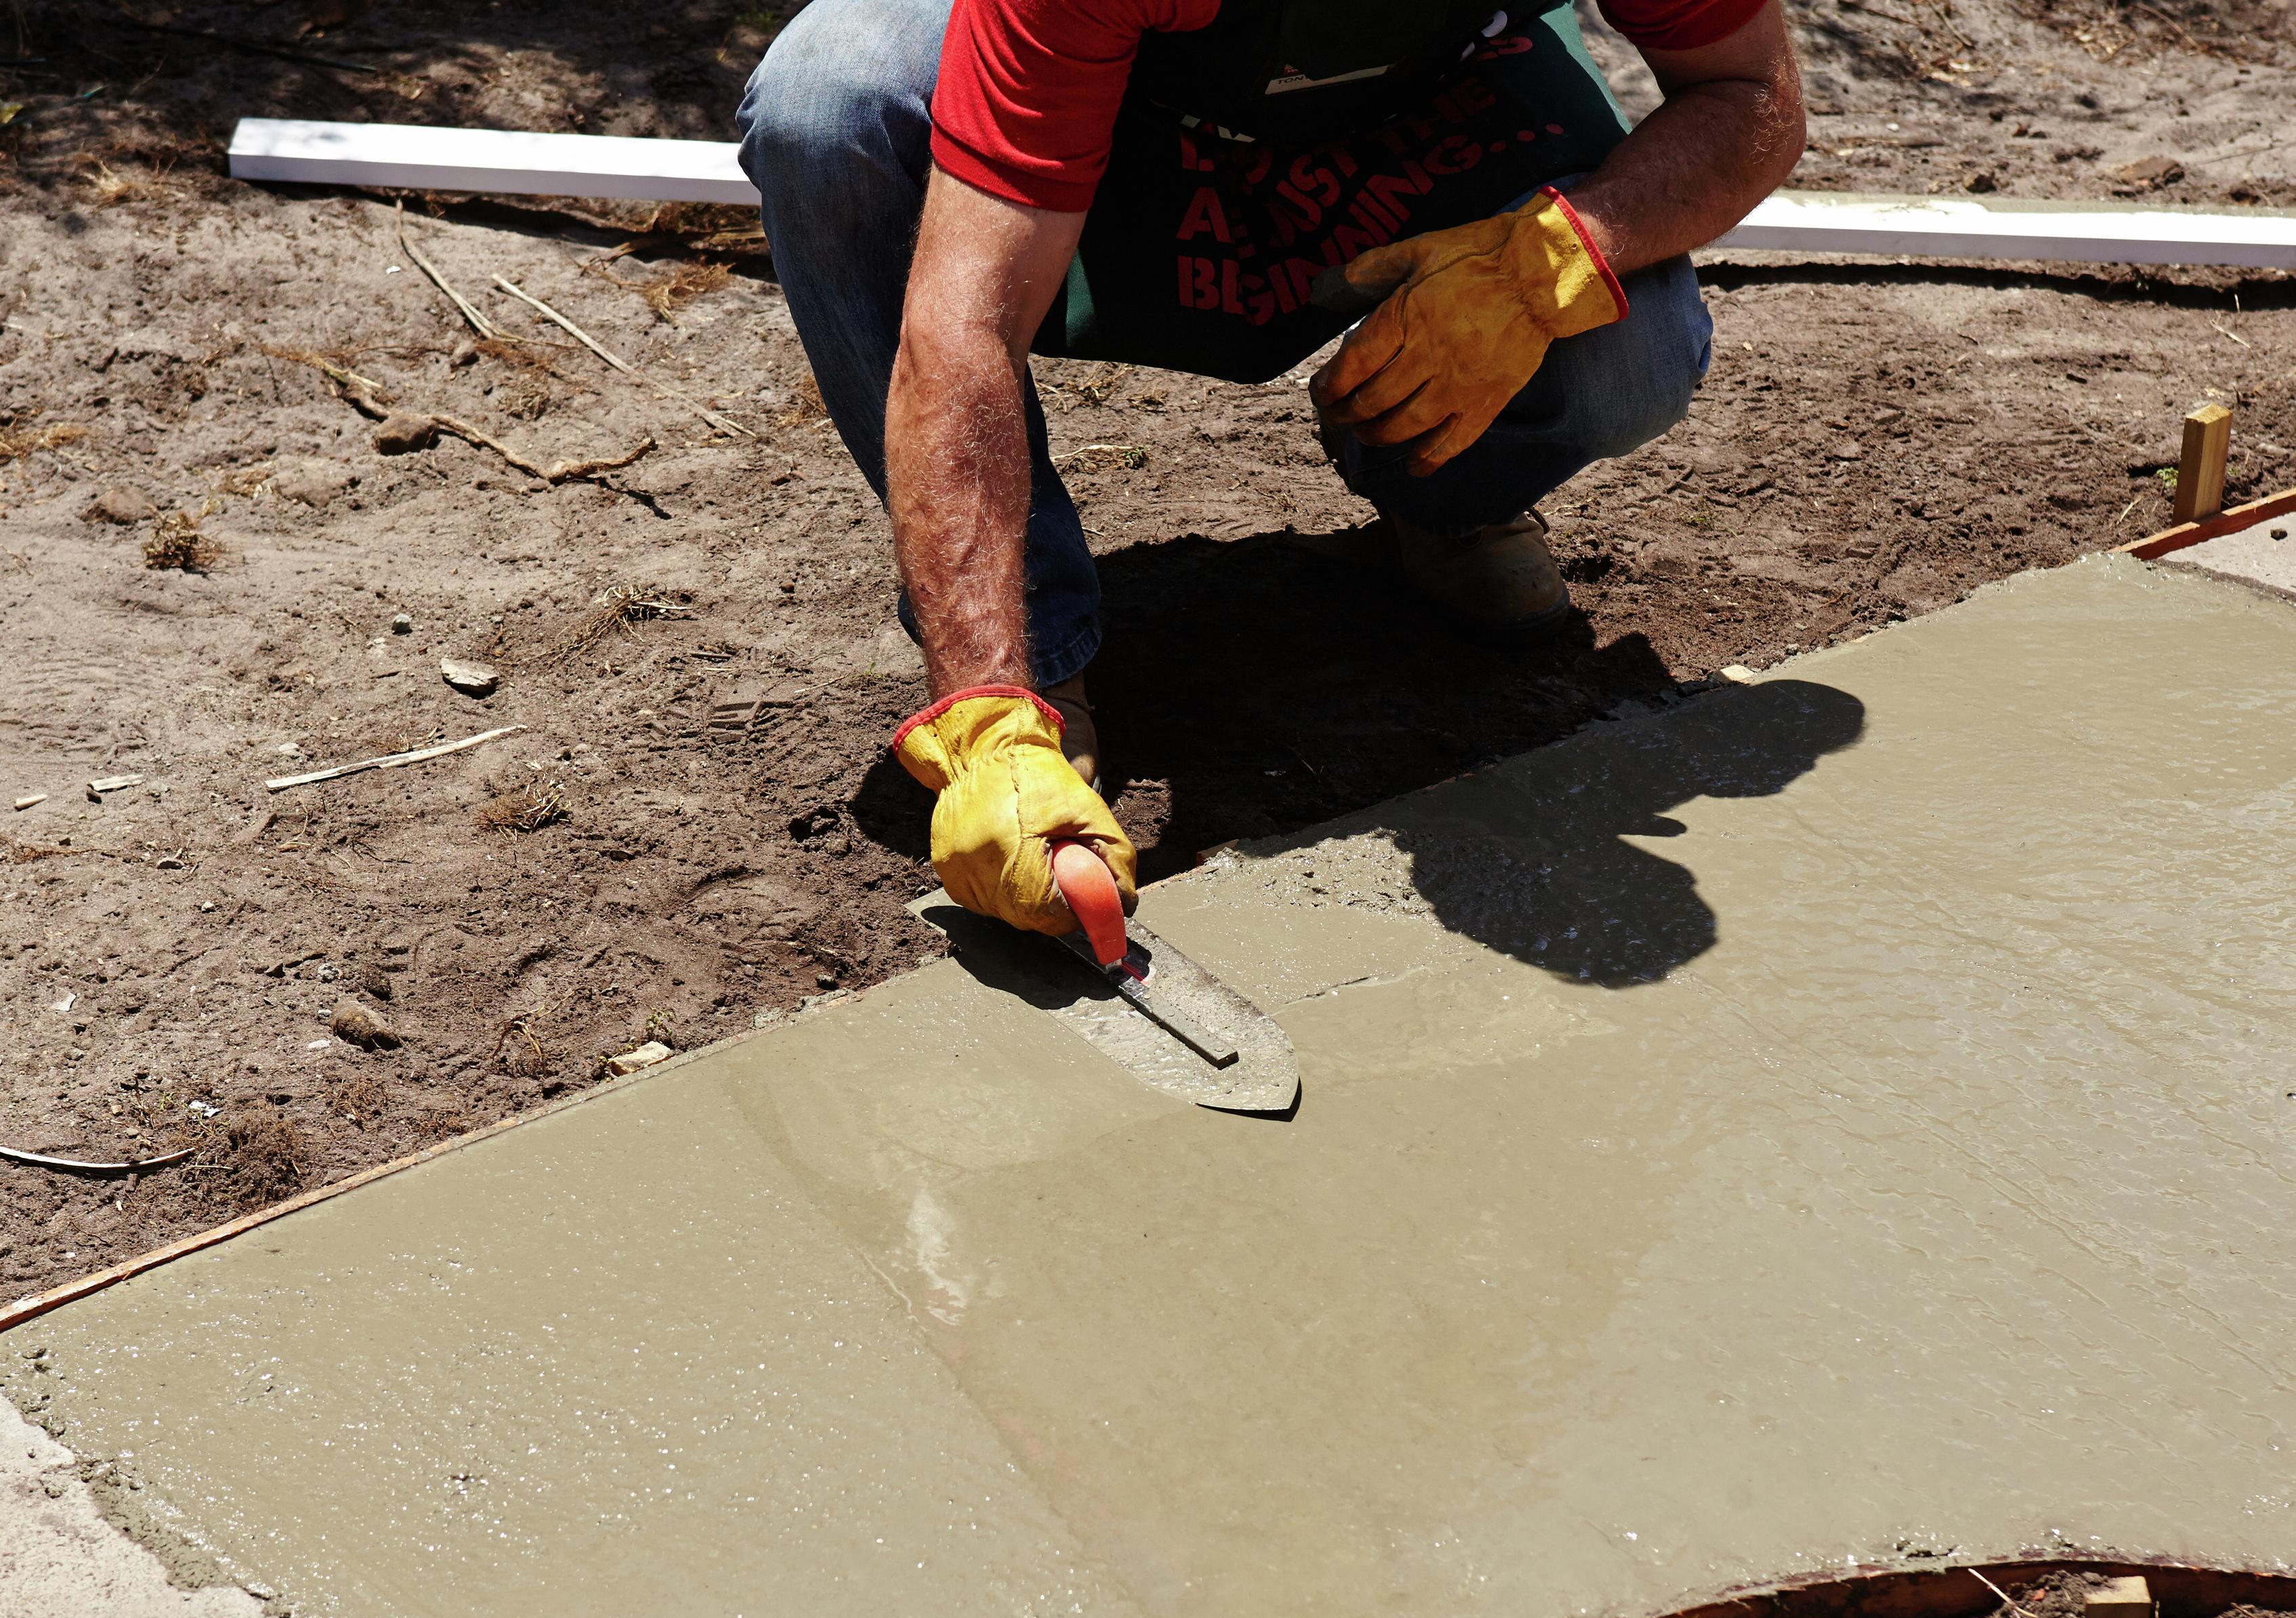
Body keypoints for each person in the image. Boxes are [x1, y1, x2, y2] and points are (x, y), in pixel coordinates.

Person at [737, 0, 1805, 936]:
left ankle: (1452, 493)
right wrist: (983, 706)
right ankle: (1037, 670)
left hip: (1440, 104)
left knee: (1632, 348)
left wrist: (1546, 265)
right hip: (1132, 101)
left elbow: (1752, 93)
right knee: (829, 102)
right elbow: (963, 321)